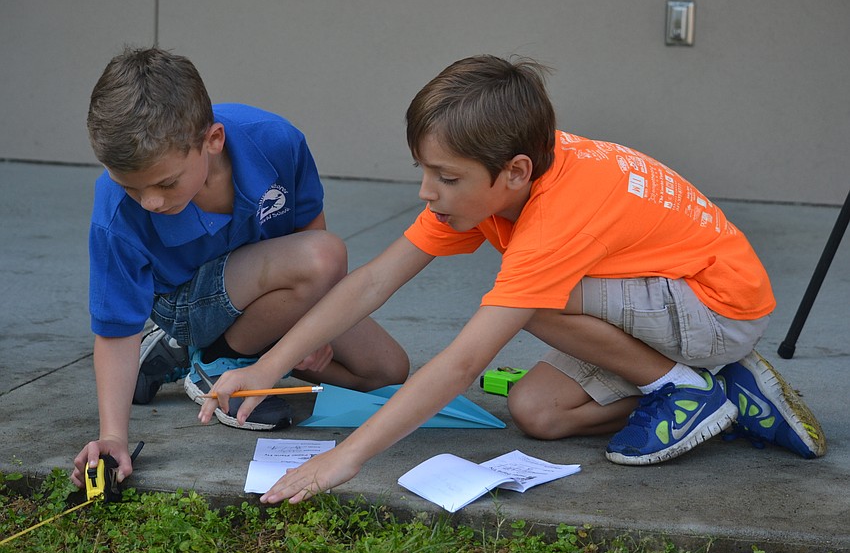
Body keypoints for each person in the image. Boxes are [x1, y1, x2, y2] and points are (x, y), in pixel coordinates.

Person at [198, 55, 826, 504]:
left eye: (445, 177)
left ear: (516, 171)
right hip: (656, 302)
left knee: (526, 303)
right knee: (538, 411)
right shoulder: (499, 186)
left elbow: (464, 361)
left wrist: (347, 456)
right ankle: (721, 394)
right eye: (423, 170)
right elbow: (371, 283)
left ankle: (683, 384)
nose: (426, 192)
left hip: (718, 308)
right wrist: (268, 364)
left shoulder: (556, 217)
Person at [70, 47, 409, 490]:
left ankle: (198, 352)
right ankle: (213, 358)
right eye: (129, 186)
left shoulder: (276, 142)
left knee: (386, 370)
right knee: (321, 257)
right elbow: (116, 330)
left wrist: (312, 330)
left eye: (166, 183)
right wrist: (113, 436)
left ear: (213, 140)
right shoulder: (117, 211)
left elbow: (307, 230)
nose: (150, 201)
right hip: (183, 301)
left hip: (264, 291)